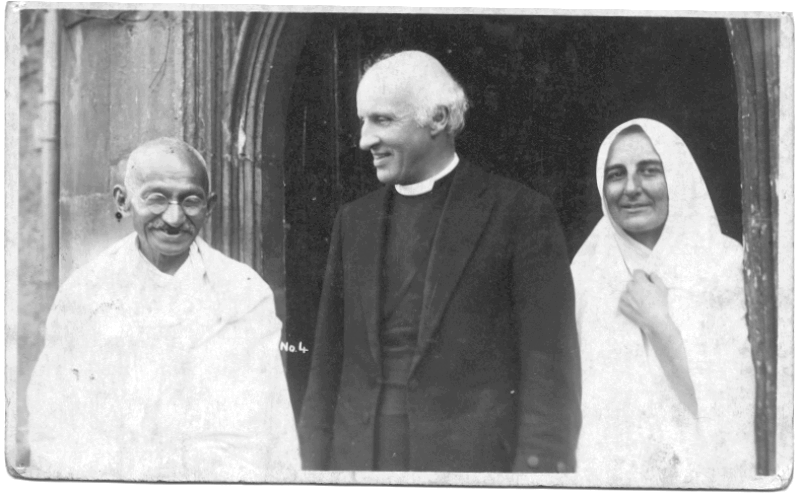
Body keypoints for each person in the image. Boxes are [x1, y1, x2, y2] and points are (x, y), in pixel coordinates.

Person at [297, 51, 581, 472]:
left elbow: (550, 380)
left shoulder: (520, 214)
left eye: (382, 120)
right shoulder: (352, 222)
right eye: (363, 121)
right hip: (358, 466)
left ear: (439, 119)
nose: (364, 140)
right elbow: (325, 374)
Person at [26, 138, 299, 480]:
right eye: (156, 198)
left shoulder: (243, 295)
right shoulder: (85, 294)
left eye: (191, 201)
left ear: (209, 207)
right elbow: (52, 426)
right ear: (123, 201)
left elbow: (272, 431)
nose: (173, 218)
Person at [571, 119, 755, 484]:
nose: (632, 188)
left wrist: (658, 323)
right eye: (616, 175)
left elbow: (731, 407)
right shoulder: (585, 271)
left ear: (678, 176)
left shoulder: (723, 264)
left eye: (650, 171)